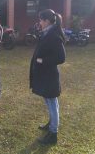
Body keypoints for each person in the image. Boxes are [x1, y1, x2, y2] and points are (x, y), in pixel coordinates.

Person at [29, 9, 66, 145]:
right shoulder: (47, 32)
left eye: (41, 20)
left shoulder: (54, 35)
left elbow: (61, 57)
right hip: (45, 75)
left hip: (49, 75)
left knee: (52, 102)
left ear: (47, 21)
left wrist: (42, 61)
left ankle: (53, 133)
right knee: (50, 101)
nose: (39, 22)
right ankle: (52, 123)